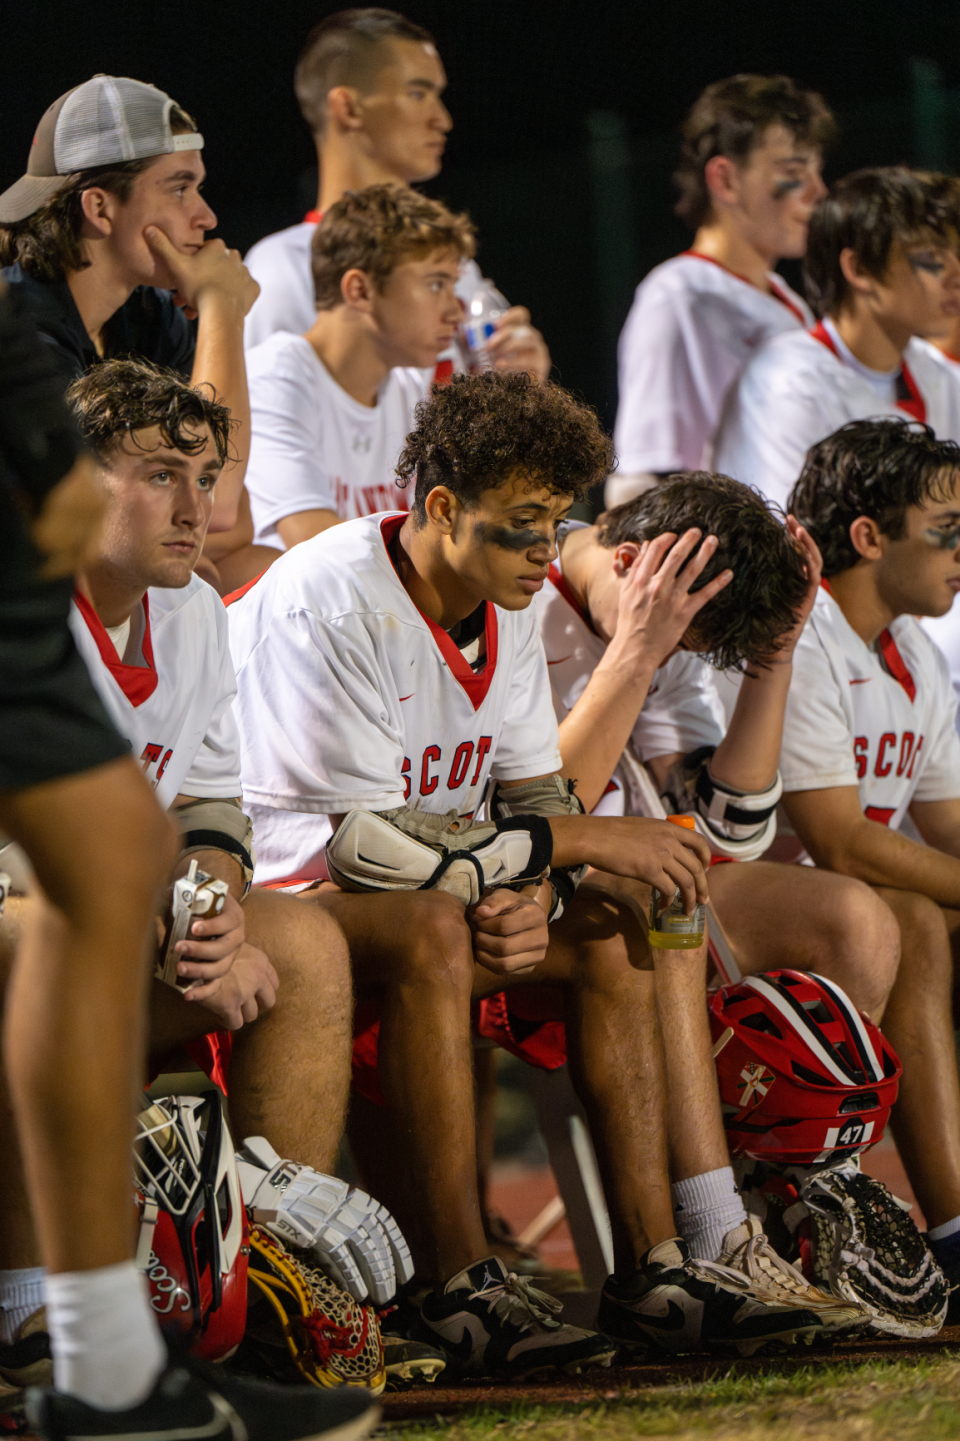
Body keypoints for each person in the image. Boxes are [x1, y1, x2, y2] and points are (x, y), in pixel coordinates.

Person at [228, 368, 840, 1375]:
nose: (543, 552)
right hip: (295, 897)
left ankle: (656, 1266)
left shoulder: (502, 599)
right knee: (440, 921)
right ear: (439, 507)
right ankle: (458, 1282)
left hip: (435, 883)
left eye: (555, 524)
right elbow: (362, 849)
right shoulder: (330, 593)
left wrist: (535, 893)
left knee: (612, 925)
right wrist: (563, 854)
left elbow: (537, 799)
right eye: (522, 524)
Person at [0, 356, 424, 1412]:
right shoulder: (23, 606)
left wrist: (209, 909)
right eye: (160, 474)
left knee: (298, 941)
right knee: (48, 937)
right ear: (71, 481)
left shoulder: (188, 609)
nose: (202, 507)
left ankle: (261, 1277)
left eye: (207, 474)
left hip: (97, 909)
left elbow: (210, 810)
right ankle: (36, 1313)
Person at [532, 470, 903, 1241]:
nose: (682, 651)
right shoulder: (524, 599)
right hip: (545, 887)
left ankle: (811, 1190)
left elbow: (729, 829)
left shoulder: (670, 598)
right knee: (667, 897)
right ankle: (715, 1230)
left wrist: (774, 660)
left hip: (649, 866)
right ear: (636, 562)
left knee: (854, 919)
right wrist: (636, 648)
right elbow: (538, 818)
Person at [782, 417, 960, 1315]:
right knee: (922, 917)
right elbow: (838, 838)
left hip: (853, 918)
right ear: (868, 535)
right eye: (947, 530)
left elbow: (947, 822)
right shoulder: (801, 631)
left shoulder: (916, 653)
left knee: (926, 912)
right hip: (739, 920)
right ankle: (955, 1226)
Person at [0, 74, 258, 535]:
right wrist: (222, 308)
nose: (207, 217)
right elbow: (211, 507)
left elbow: (224, 511)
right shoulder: (20, 335)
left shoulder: (148, 316)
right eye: (179, 189)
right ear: (99, 209)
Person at [243, 7, 545, 379]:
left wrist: (523, 388)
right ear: (348, 106)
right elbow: (258, 427)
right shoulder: (284, 270)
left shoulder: (459, 271)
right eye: (418, 93)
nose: (443, 120)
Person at [609, 74, 832, 507]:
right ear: (725, 180)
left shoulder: (787, 299)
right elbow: (641, 478)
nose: (818, 192)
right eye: (793, 173)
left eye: (817, 173)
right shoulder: (681, 295)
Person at [243, 185, 472, 555]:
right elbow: (321, 551)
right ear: (360, 290)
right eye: (435, 284)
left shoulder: (409, 383)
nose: (454, 312)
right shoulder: (271, 378)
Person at [715, 168, 960, 508]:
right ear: (859, 269)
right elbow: (793, 540)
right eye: (931, 259)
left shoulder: (942, 377)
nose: (955, 276)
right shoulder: (785, 384)